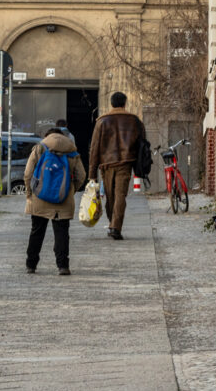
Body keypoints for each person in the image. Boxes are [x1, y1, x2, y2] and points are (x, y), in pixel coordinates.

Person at [23, 127, 87, 275]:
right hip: (62, 200)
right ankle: (63, 266)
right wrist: (70, 190)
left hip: (39, 198)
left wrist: (30, 193)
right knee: (62, 233)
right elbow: (81, 176)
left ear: (47, 136)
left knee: (37, 232)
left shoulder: (40, 148)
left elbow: (27, 174)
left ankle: (31, 265)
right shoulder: (72, 151)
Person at [86, 91, 144, 240]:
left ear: (112, 103)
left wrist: (92, 174)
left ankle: (114, 225)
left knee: (112, 197)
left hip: (106, 165)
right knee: (119, 196)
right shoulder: (134, 120)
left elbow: (94, 148)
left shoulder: (102, 121)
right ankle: (114, 225)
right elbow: (142, 145)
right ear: (125, 103)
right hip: (125, 163)